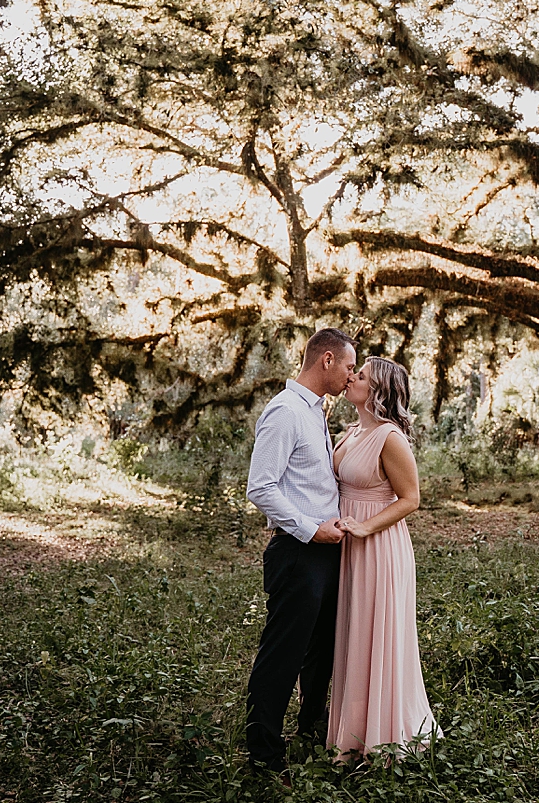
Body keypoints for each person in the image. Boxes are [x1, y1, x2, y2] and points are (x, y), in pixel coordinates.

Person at [243, 328, 357, 773]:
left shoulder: (316, 412)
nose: (352, 375)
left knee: (320, 653)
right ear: (326, 360)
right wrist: (311, 531)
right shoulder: (286, 411)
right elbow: (261, 487)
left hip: (327, 552)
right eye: (349, 366)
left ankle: (311, 730)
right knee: (283, 654)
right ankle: (264, 754)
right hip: (298, 551)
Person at [328, 357, 440, 758]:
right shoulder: (354, 430)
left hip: (379, 546)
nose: (351, 378)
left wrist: (365, 527)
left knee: (376, 637)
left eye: (360, 376)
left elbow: (411, 499)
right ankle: (353, 732)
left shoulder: (390, 437)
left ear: (377, 391)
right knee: (354, 636)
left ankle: (384, 735)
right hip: (349, 547)